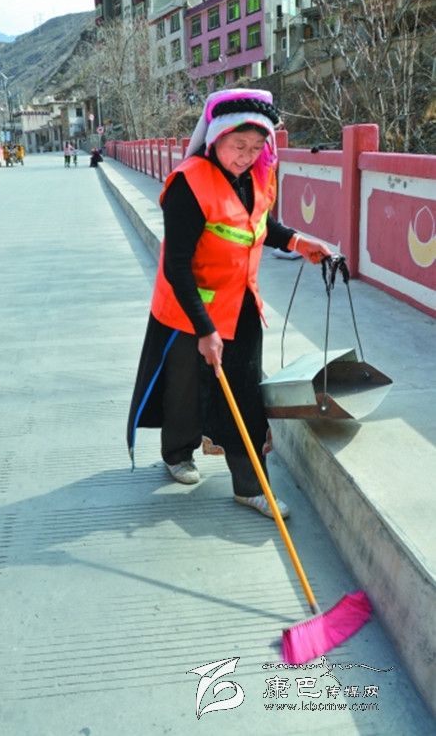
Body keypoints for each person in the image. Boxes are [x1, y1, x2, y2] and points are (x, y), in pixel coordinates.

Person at [127, 88, 331, 520]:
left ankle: (251, 487)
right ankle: (177, 453)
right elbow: (176, 265)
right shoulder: (188, 183)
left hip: (240, 303)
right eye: (239, 145)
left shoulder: (256, 176)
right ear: (216, 137)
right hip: (187, 310)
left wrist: (297, 241)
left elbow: (258, 224)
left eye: (256, 147)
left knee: (245, 395)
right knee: (184, 389)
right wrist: (205, 330)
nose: (246, 156)